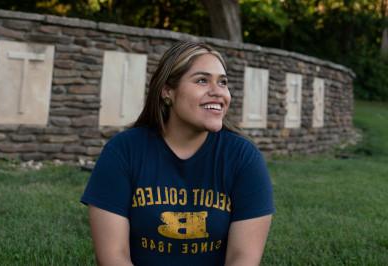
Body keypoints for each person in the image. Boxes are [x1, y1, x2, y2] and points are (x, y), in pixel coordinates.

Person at [81, 41, 275, 266]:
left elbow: (243, 259)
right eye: (202, 80)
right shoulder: (123, 151)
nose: (218, 92)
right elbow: (113, 257)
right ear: (167, 91)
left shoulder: (244, 158)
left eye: (223, 82)